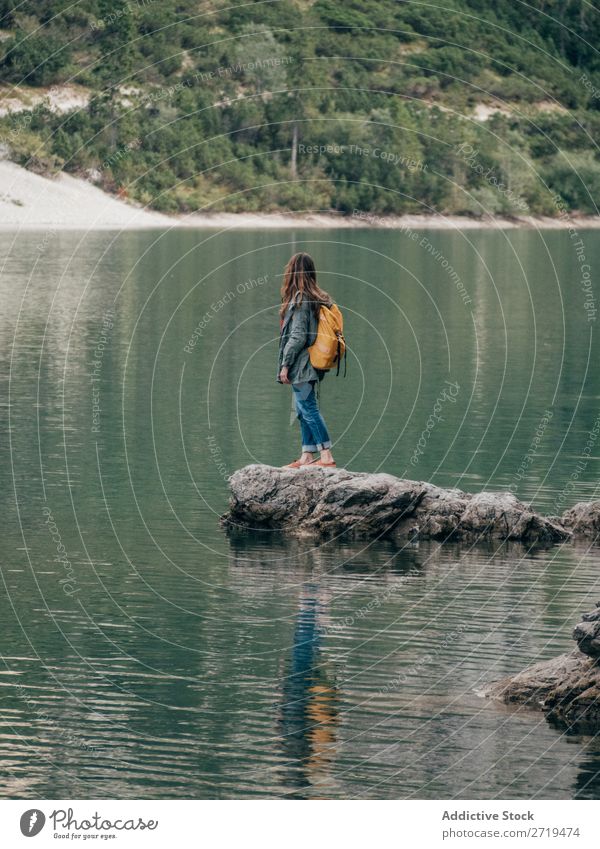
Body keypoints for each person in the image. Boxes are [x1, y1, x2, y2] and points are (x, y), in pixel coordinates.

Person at [277, 252, 336, 468]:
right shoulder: (316, 298)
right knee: (302, 410)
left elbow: (298, 336)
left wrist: (285, 364)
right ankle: (307, 456)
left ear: (293, 272)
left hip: (302, 365)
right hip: (311, 363)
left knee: (308, 408)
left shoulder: (300, 299)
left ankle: (326, 456)